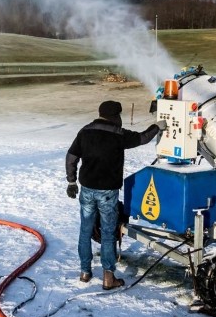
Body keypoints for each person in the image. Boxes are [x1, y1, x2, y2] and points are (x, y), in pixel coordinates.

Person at [65, 100, 166, 289]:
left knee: (85, 231)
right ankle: (108, 278)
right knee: (108, 233)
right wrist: (157, 127)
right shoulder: (119, 134)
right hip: (108, 193)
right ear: (115, 116)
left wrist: (71, 181)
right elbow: (143, 138)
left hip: (86, 190)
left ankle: (85, 272)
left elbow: (71, 157)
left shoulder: (85, 131)